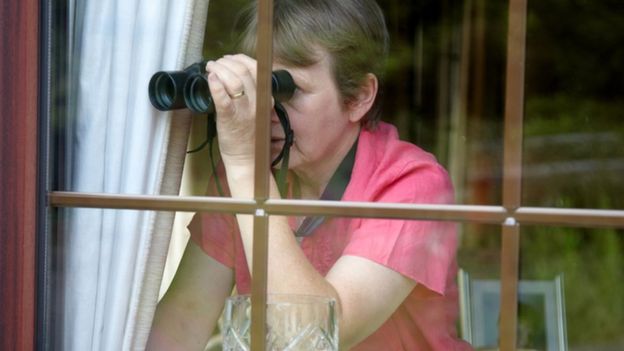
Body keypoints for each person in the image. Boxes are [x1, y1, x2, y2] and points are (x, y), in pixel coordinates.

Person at [147, 0, 473, 350]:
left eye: (285, 89)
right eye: (257, 88)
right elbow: (184, 319)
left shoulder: (411, 185)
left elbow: (319, 337)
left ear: (359, 97)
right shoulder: (243, 178)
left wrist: (246, 169)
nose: (265, 109)